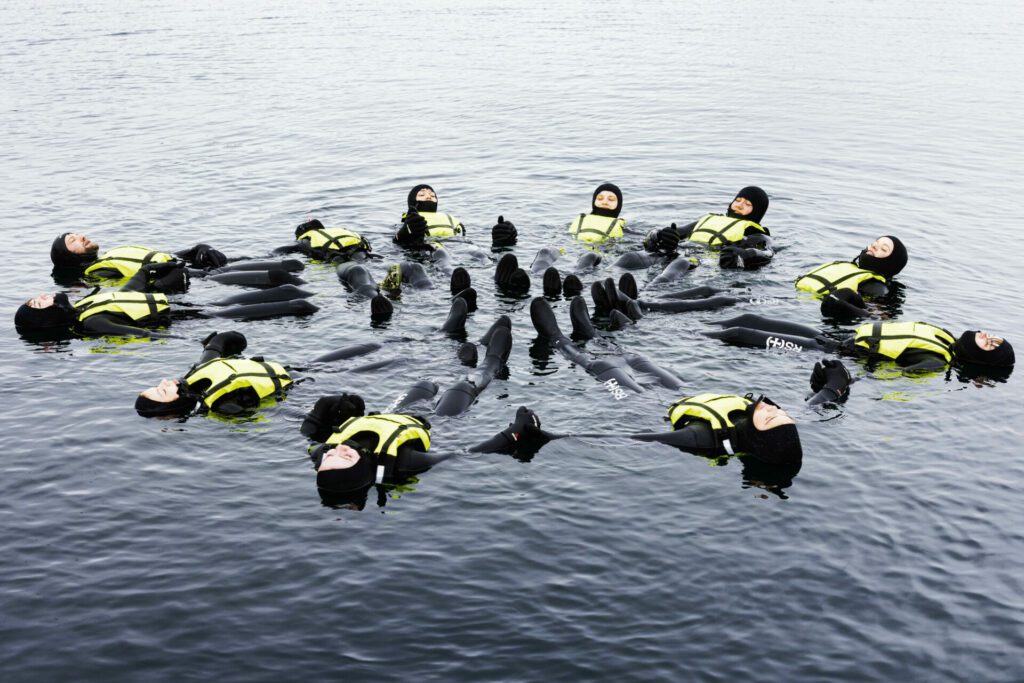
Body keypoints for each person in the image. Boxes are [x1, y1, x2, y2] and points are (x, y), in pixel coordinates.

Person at [15, 262, 317, 340]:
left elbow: (129, 294)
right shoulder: (91, 321)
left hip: (197, 309)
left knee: (287, 291)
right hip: (196, 319)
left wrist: (145, 272)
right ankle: (341, 305)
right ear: (47, 318)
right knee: (295, 305)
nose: (43, 296)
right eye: (39, 303)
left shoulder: (86, 307)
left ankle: (331, 298)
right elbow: (142, 334)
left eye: (37, 297)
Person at [704, 312, 1014, 373]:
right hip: (835, 337)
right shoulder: (945, 336)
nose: (987, 336)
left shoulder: (937, 361)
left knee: (743, 335)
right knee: (752, 318)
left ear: (980, 358)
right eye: (992, 336)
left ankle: (689, 337)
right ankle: (701, 325)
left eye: (990, 345)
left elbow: (890, 374)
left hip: (835, 350)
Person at [301, 393, 450, 502]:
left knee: (425, 387)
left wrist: (321, 408)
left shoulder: (322, 452)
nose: (340, 449)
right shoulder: (404, 461)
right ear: (362, 468)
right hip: (438, 419)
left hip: (389, 413)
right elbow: (456, 455)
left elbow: (308, 434)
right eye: (347, 457)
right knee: (462, 388)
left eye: (331, 455)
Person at [134, 331, 292, 417]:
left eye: (157, 386)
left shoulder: (197, 373)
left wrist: (224, 341)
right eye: (162, 391)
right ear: (172, 406)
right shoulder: (221, 407)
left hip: (287, 368)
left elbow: (219, 342)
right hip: (295, 387)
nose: (163, 382)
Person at [50, 232, 227, 281]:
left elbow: (163, 257)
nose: (80, 236)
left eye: (76, 234)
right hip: (204, 279)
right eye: (72, 241)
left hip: (204, 270)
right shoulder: (99, 274)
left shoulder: (112, 255)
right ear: (70, 257)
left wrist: (196, 249)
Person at [795, 235, 908, 299]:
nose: (874, 246)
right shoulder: (847, 266)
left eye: (883, 249)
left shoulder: (876, 287)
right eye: (875, 243)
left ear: (891, 263)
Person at [394, 184, 466, 246]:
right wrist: (403, 234)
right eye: (422, 195)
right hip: (429, 247)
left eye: (432, 195)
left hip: (457, 244)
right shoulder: (409, 222)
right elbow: (396, 242)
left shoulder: (449, 218)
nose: (429, 197)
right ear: (412, 202)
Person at [276, 218, 373, 262]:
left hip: (336, 256)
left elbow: (280, 250)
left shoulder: (306, 238)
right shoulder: (336, 230)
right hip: (360, 249)